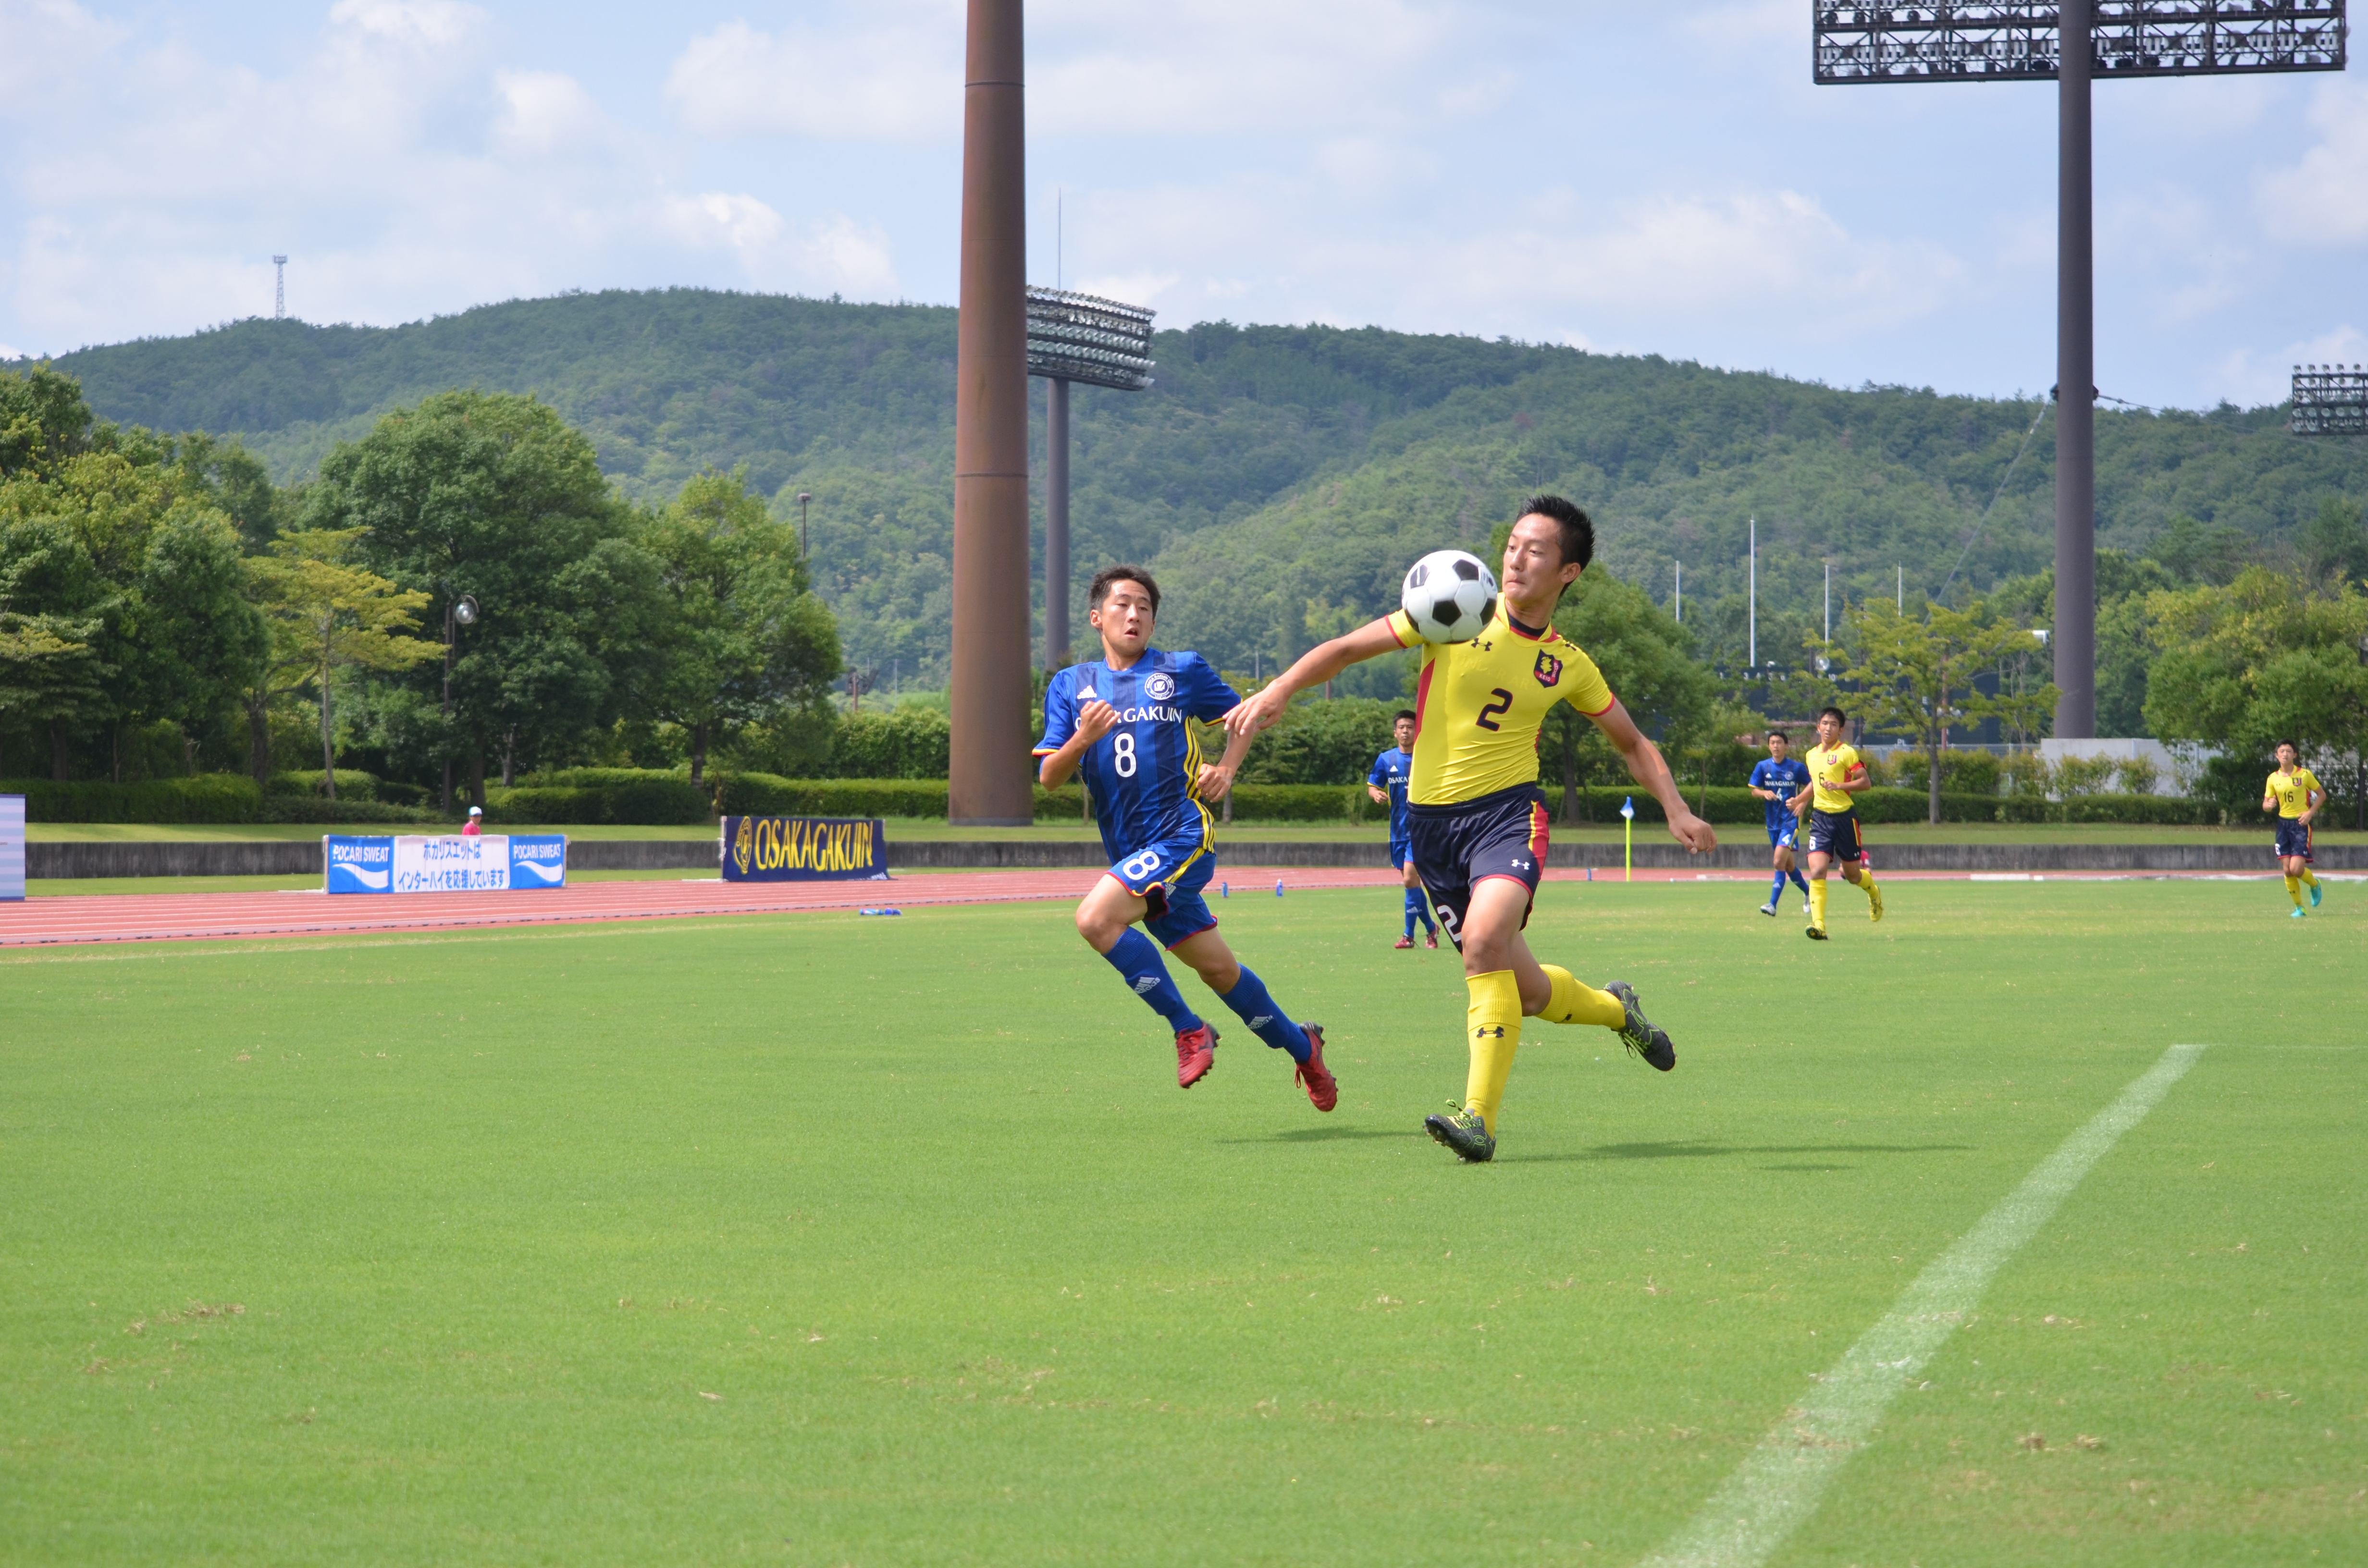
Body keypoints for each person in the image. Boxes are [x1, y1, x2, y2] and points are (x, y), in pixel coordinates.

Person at [1226, 495, 1714, 1163]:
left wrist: (1677, 808)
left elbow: (1631, 743)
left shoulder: (1567, 663)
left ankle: (1477, 1121)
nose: (1516, 558)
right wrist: (1279, 689)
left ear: (1568, 572)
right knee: (1530, 991)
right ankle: (1616, 1009)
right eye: (1512, 545)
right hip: (1432, 833)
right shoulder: (1449, 611)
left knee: (1484, 941)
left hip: (1509, 817)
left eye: (1535, 550)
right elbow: (1343, 650)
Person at [1036, 565, 1338, 1110]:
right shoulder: (1070, 686)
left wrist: (1227, 768)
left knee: (1094, 918)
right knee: (1219, 970)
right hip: (1135, 858)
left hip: (1181, 836)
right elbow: (1049, 777)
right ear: (1096, 617)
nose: (1135, 615)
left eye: (1145, 607)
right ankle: (1303, 1047)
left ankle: (1189, 1028)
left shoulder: (1180, 671)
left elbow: (1244, 717)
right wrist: (1082, 738)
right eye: (1123, 605)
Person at [1787, 707, 1883, 940]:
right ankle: (1818, 925)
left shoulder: (1847, 753)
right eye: (1824, 723)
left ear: (1841, 730)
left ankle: (1874, 892)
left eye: (1833, 724)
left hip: (1845, 820)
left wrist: (1839, 786)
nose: (1828, 728)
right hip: (1820, 819)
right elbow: (1816, 783)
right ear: (1818, 727)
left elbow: (1865, 783)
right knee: (1818, 870)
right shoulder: (1811, 755)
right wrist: (1800, 800)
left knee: (1853, 876)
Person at [1368, 709, 1438, 949]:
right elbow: (1373, 785)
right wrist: (1376, 793)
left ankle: (1409, 936)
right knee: (1412, 885)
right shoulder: (1386, 759)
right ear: (1395, 732)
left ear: (1416, 730)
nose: (1406, 731)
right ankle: (1431, 929)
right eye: (1402, 727)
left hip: (1422, 832)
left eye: (1410, 727)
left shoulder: (1425, 757)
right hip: (1397, 832)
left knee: (1410, 879)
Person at [1747, 729, 1812, 919]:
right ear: (1769, 746)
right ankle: (1809, 892)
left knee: (1777, 862)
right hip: (1772, 823)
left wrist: (1801, 804)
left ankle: (1772, 905)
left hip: (1791, 822)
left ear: (1786, 745)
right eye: (1772, 743)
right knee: (1789, 867)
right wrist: (1763, 793)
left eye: (1779, 743)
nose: (1776, 746)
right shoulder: (1763, 767)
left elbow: (1812, 786)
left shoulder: (1796, 768)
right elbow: (1754, 790)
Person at [2262, 741, 2325, 918]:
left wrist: (2310, 813)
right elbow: (2266, 804)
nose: (2285, 754)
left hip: (2300, 826)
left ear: (2295, 755)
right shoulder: (2273, 778)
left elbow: (2322, 794)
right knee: (2287, 870)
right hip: (2283, 826)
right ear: (2276, 755)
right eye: (2281, 751)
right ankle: (2300, 908)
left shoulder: (2305, 775)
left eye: (2289, 751)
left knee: (2297, 869)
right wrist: (2269, 804)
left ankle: (2314, 884)